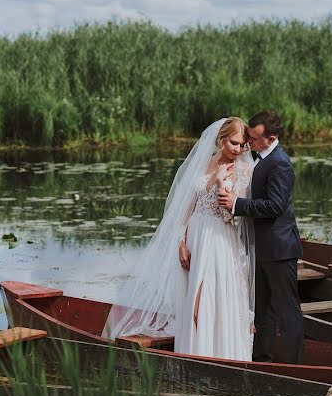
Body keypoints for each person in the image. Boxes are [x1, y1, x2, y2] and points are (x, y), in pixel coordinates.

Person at [103, 117, 256, 360]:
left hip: (219, 240)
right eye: (234, 143)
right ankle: (191, 355)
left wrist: (218, 183)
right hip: (195, 237)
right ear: (221, 140)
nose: (238, 150)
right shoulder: (203, 162)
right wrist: (182, 241)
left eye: (242, 145)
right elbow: (188, 207)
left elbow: (233, 217)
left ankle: (218, 357)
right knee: (190, 299)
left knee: (209, 301)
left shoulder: (244, 170)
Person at [217, 111, 303, 364]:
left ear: (271, 138)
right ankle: (262, 361)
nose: (248, 143)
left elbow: (275, 206)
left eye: (253, 139)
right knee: (262, 311)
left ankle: (295, 367)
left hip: (279, 250)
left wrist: (237, 204)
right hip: (261, 249)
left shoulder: (280, 163)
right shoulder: (258, 155)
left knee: (288, 313)